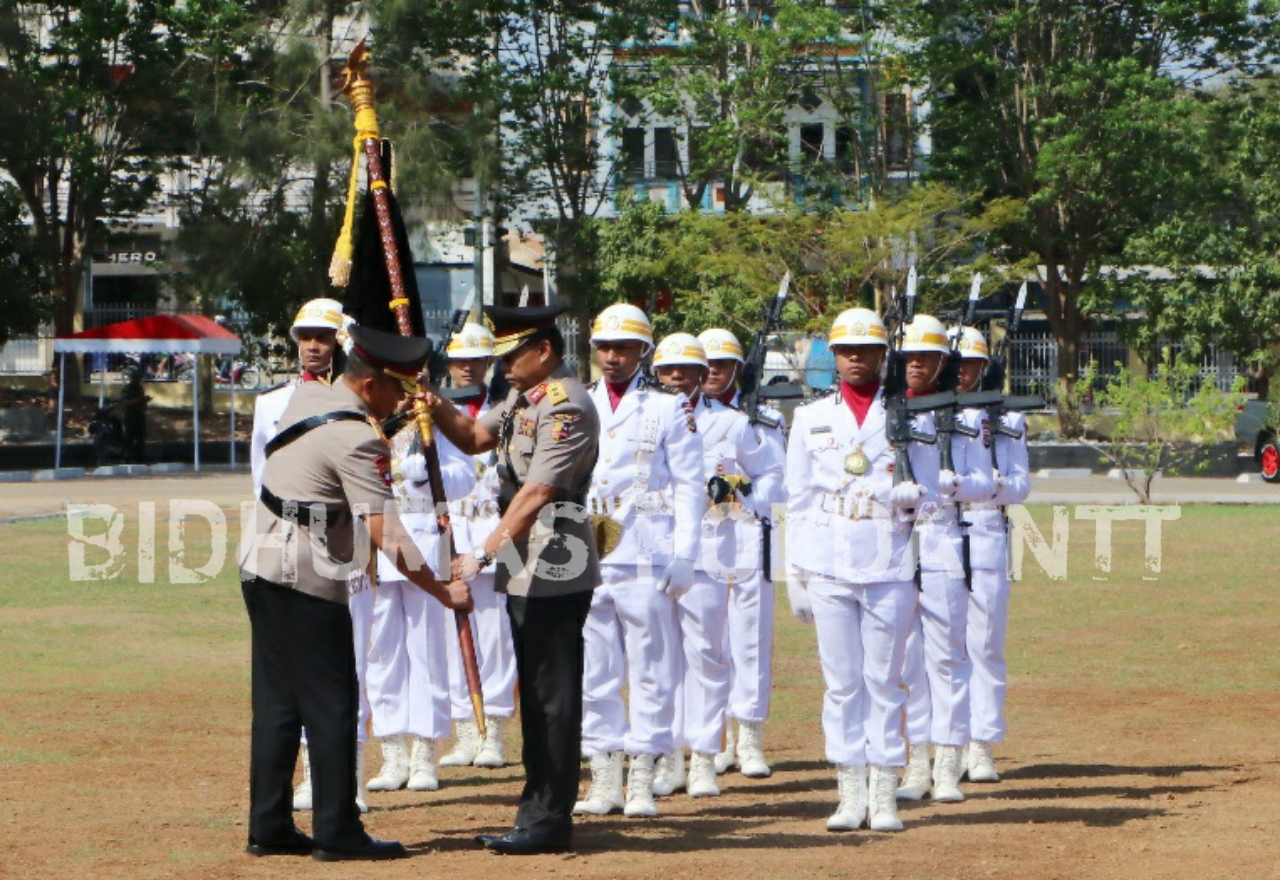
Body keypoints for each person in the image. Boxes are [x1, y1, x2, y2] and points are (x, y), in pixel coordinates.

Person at [238, 323, 472, 861]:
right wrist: (442, 592)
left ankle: (269, 824)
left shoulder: (309, 395)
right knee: (333, 704)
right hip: (307, 576)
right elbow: (385, 533)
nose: (403, 401)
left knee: (279, 703)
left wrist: (389, 424)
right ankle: (339, 831)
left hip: (261, 564)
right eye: (397, 390)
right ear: (371, 386)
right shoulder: (359, 438)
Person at [423, 304, 601, 856]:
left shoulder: (565, 405)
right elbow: (475, 436)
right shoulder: (527, 398)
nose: (503, 367)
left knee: (552, 692)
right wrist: (431, 404)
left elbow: (539, 491)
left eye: (512, 356)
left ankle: (549, 817)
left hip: (556, 549)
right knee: (539, 687)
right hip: (530, 556)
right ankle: (538, 809)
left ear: (544, 351)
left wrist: (481, 552)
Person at [784, 307, 929, 834]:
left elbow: (932, 496)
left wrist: (912, 498)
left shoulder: (909, 415)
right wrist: (794, 573)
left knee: (884, 682)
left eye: (865, 350)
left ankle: (884, 791)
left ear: (882, 355)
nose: (855, 358)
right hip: (827, 560)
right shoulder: (811, 417)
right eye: (846, 349)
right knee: (841, 683)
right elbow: (796, 499)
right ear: (834, 354)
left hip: (888, 557)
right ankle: (849, 790)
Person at [572, 304, 705, 820]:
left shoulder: (668, 408)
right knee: (595, 668)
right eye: (605, 347)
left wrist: (687, 554)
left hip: (646, 549)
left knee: (651, 666)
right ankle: (604, 776)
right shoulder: (577, 400)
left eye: (624, 347)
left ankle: (643, 777)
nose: (613, 356)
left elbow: (692, 485)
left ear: (643, 352)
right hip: (586, 548)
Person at [650, 332, 783, 798]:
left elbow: (772, 476)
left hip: (712, 550)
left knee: (708, 655)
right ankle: (667, 757)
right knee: (658, 660)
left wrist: (741, 491)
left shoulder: (732, 423)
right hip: (652, 552)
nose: (675, 380)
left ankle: (705, 756)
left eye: (686, 372)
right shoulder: (641, 418)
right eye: (667, 371)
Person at [248, 298, 358, 812]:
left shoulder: (358, 398)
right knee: (301, 681)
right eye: (306, 336)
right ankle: (320, 783)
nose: (315, 346)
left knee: (353, 668)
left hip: (347, 544)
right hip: (289, 547)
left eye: (326, 336)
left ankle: (347, 773)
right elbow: (261, 481)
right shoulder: (272, 404)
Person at [893, 315, 993, 805]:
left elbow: (983, 479)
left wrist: (958, 487)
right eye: (908, 356)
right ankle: (916, 763)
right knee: (905, 662)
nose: (916, 365)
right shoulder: (885, 409)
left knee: (948, 658)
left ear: (941, 362)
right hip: (888, 543)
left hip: (940, 538)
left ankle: (949, 761)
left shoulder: (962, 413)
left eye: (926, 358)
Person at [362, 403, 476, 794]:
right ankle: (392, 750)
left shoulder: (438, 410)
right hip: (375, 543)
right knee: (382, 655)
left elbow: (465, 475)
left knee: (427, 651)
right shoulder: (362, 407)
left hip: (425, 542)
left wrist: (428, 475)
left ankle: (425, 752)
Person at [698, 327, 788, 778]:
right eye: (707, 363)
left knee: (749, 639)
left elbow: (777, 479)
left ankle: (748, 739)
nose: (713, 371)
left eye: (723, 364)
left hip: (747, 535)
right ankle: (708, 739)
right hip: (697, 539)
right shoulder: (681, 413)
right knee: (704, 643)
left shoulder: (763, 418)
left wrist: (737, 490)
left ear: (738, 368)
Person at [436, 323, 519, 769]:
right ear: (448, 364)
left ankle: (496, 731)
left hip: (493, 534)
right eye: (459, 360)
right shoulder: (433, 410)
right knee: (452, 638)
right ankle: (466, 731)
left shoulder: (508, 409)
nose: (467, 367)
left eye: (476, 359)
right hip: (448, 536)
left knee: (496, 636)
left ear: (490, 364)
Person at [954, 327, 1031, 783]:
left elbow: (1021, 485)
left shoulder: (1007, 420)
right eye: (957, 363)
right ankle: (943, 742)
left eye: (972, 364)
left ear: (986, 369)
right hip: (931, 534)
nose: (963, 373)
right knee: (934, 650)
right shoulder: (922, 415)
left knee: (984, 644)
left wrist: (990, 487)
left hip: (984, 529)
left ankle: (980, 744)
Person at [120, 369, 150, 463]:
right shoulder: (127, 389)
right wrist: (139, 400)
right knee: (129, 437)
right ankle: (125, 458)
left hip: (140, 414)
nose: (139, 380)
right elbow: (125, 402)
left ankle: (140, 459)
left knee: (140, 438)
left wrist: (144, 401)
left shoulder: (140, 388)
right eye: (138, 378)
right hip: (131, 415)